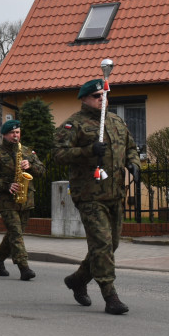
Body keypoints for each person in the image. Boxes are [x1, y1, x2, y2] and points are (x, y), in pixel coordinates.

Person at [54, 78, 141, 315]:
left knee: (111, 243)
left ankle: (78, 279)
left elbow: (131, 147)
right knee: (101, 244)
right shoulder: (75, 124)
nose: (102, 100)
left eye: (104, 96)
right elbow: (58, 154)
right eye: (97, 96)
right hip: (89, 195)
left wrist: (133, 163)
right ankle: (110, 295)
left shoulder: (115, 121)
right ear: (84, 99)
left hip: (114, 193)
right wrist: (87, 151)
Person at [0, 120, 46, 281]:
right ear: (4, 135)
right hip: (6, 200)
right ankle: (23, 267)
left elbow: (42, 171)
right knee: (16, 233)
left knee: (13, 234)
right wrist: (6, 185)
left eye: (17, 132)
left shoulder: (27, 152)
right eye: (12, 133)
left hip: (25, 199)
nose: (15, 135)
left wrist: (30, 166)